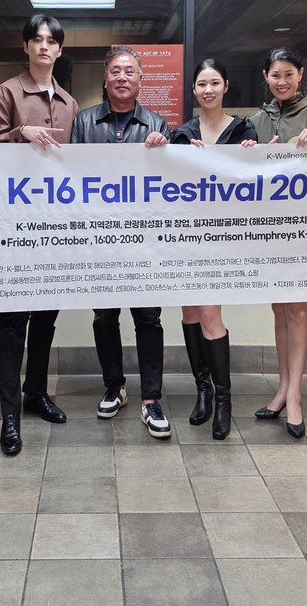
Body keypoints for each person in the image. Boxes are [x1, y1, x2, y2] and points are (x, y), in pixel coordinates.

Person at [0, 15, 79, 455]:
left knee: (45, 317)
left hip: (55, 224)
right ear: (26, 46)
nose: (44, 46)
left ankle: (36, 392)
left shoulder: (69, 102)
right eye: (36, 39)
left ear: (59, 49)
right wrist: (20, 133)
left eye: (51, 41)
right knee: (13, 322)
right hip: (14, 226)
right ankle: (9, 413)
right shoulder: (7, 92)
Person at [71, 46, 173, 439]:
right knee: (104, 317)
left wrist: (165, 151)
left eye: (130, 71)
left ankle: (151, 399)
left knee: (148, 319)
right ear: (105, 77)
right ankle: (114, 387)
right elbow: (71, 179)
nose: (122, 77)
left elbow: (169, 184)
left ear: (141, 79)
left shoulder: (156, 124)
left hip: (144, 241)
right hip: (100, 240)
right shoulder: (84, 122)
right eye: (115, 70)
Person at [249, 47, 307, 438]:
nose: (282, 81)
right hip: (269, 228)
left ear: (300, 74)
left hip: (304, 227)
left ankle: (296, 396)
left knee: (299, 309)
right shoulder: (257, 120)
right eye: (275, 75)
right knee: (279, 308)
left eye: (288, 74)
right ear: (266, 77)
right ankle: (283, 388)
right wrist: (251, 154)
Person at [171, 59, 257, 440]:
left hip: (222, 236)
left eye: (215, 83)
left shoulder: (243, 130)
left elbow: (254, 181)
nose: (208, 90)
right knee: (190, 311)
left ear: (226, 86)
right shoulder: (181, 133)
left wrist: (251, 156)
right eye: (202, 84)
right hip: (186, 234)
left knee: (209, 313)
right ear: (193, 89)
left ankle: (224, 399)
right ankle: (202, 391)